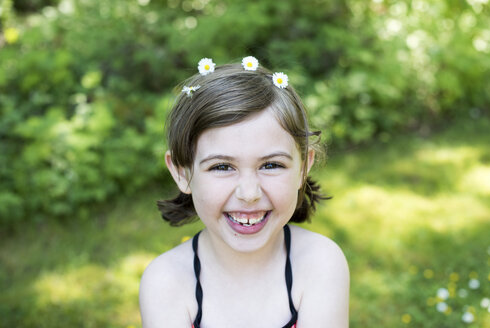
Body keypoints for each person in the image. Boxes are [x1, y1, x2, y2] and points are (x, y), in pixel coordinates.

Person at [139, 57, 350, 328]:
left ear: (302, 168)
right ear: (182, 172)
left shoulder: (319, 262)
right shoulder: (166, 282)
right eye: (222, 166)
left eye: (271, 165)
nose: (249, 193)